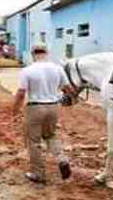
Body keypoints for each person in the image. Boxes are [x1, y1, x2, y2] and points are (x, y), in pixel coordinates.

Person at [12, 44, 75, 184]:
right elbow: (68, 88)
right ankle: (62, 159)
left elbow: (21, 93)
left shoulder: (27, 70)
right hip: (53, 107)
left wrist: (14, 110)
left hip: (35, 107)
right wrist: (74, 97)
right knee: (50, 135)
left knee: (33, 141)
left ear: (33, 54)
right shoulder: (58, 68)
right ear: (47, 53)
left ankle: (38, 173)